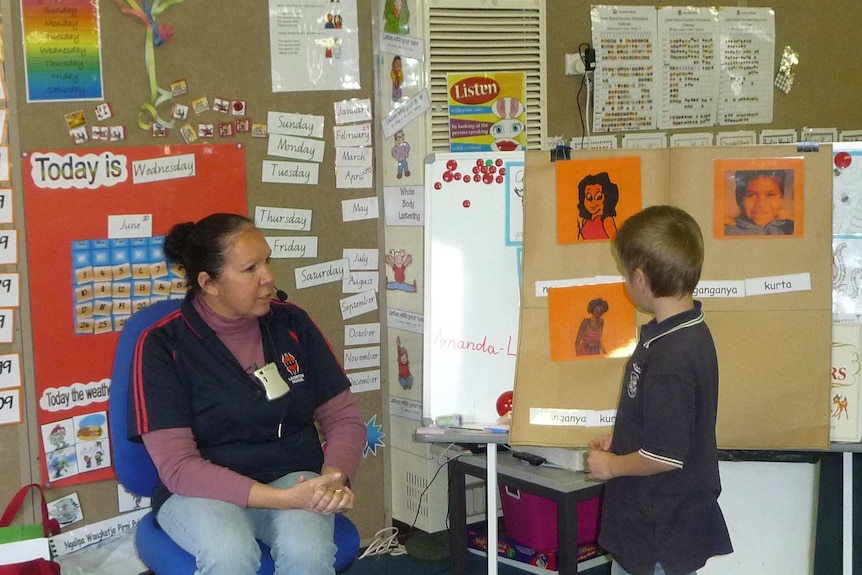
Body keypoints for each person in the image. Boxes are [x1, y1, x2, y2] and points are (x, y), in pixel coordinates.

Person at [128, 213, 366, 575]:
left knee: (309, 554)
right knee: (230, 556)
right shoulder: (162, 345)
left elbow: (344, 418)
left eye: (267, 261)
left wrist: (333, 480)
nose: (267, 277)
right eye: (250, 268)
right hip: (201, 491)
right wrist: (281, 500)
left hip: (293, 476)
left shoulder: (292, 323)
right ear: (209, 283)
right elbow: (178, 467)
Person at [587, 205, 732, 575]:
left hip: (660, 526)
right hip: (660, 518)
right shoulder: (683, 331)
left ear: (639, 279)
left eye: (624, 274)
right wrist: (623, 438)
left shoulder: (674, 356)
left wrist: (613, 465)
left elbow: (666, 456)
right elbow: (668, 423)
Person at [724, 170, 794, 236]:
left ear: (781, 199)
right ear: (739, 199)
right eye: (751, 195)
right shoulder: (730, 232)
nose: (761, 203)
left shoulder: (789, 228)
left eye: (770, 195)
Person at [577, 172, 619, 240]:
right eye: (589, 197)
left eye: (598, 197)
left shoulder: (607, 220)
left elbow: (615, 242)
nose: (593, 202)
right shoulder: (585, 221)